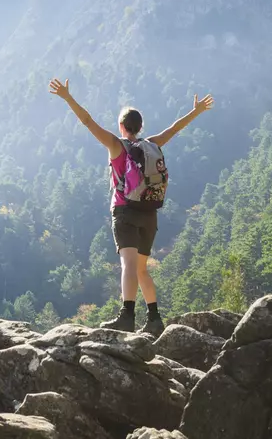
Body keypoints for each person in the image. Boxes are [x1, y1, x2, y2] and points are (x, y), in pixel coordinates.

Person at [48, 78, 214, 335]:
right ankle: (155, 318)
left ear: (122, 126)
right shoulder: (152, 144)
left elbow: (88, 121)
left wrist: (68, 98)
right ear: (140, 127)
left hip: (125, 212)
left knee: (127, 265)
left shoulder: (116, 146)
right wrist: (197, 110)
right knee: (141, 268)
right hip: (149, 213)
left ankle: (126, 316)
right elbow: (174, 128)